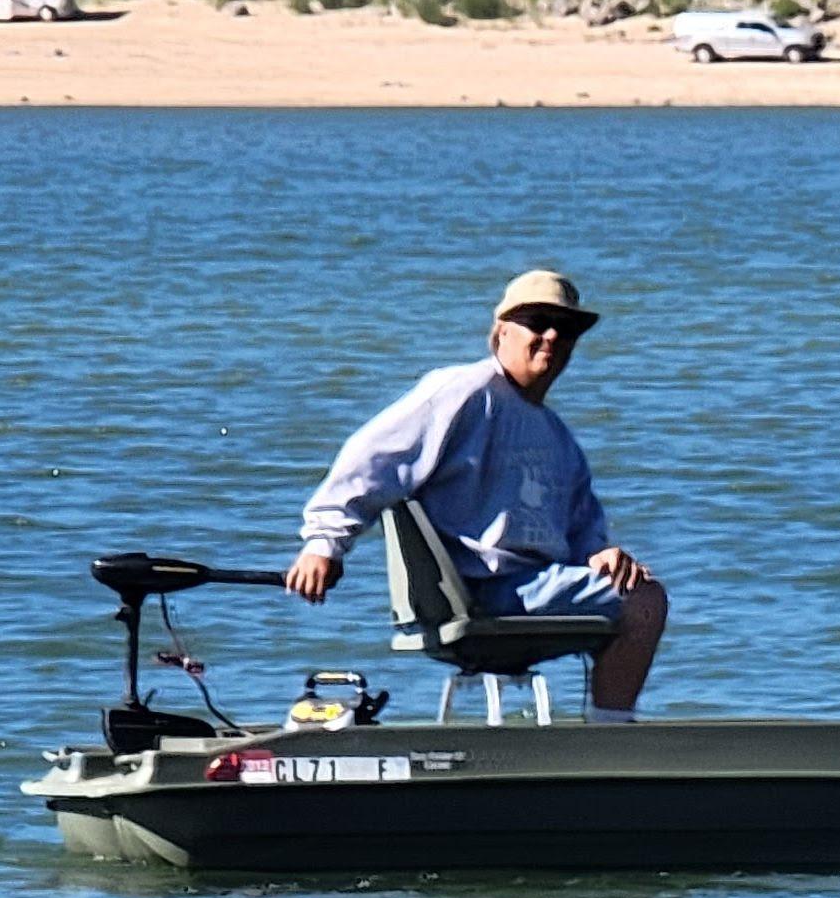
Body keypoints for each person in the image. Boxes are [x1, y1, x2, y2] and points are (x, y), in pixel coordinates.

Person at [286, 269, 670, 714]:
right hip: (479, 590)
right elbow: (371, 457)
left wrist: (602, 557)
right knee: (645, 601)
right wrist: (325, 544)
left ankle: (607, 740)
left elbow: (584, 536)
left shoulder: (558, 437)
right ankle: (613, 744)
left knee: (636, 587)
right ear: (501, 332)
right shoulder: (464, 392)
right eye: (536, 321)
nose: (551, 335)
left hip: (535, 587)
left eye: (565, 328)